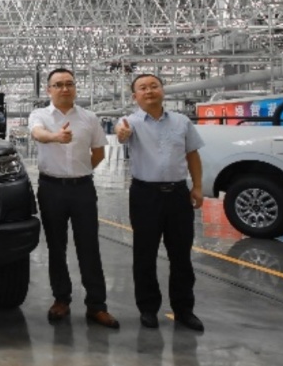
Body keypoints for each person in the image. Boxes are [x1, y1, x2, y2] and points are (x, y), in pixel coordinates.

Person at [28, 68, 120, 329]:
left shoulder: (89, 118)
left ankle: (97, 306)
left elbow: (98, 152)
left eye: (69, 84)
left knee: (89, 246)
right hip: (51, 188)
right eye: (58, 84)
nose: (65, 88)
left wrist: (82, 171)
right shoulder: (40, 115)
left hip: (82, 189)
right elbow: (37, 134)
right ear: (49, 90)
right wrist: (55, 137)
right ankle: (61, 300)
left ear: (75, 88)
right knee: (56, 247)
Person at [115, 73, 205, 332]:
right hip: (145, 195)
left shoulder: (182, 122)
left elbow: (192, 155)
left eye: (154, 86)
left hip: (178, 195)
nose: (149, 91)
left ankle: (184, 309)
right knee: (144, 254)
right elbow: (121, 135)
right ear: (135, 96)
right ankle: (148, 309)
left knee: (181, 255)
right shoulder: (129, 122)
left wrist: (197, 187)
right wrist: (121, 133)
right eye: (143, 88)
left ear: (162, 90)